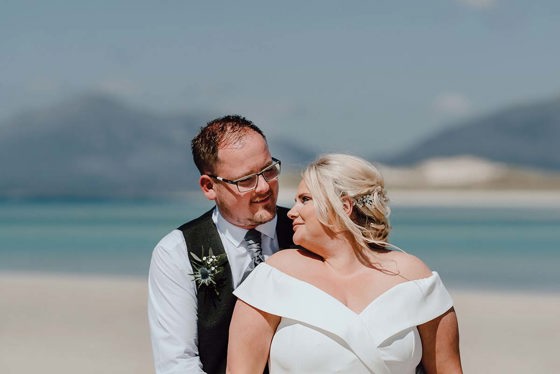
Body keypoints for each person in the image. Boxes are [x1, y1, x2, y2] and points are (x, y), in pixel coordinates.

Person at [227, 153, 462, 373]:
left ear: (344, 207)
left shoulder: (411, 276)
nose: (291, 212)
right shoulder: (272, 277)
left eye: (305, 199)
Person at [148, 115, 295, 374]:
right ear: (209, 187)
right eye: (246, 180)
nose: (264, 187)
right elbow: (177, 362)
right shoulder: (177, 252)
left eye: (269, 170)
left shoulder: (305, 232)